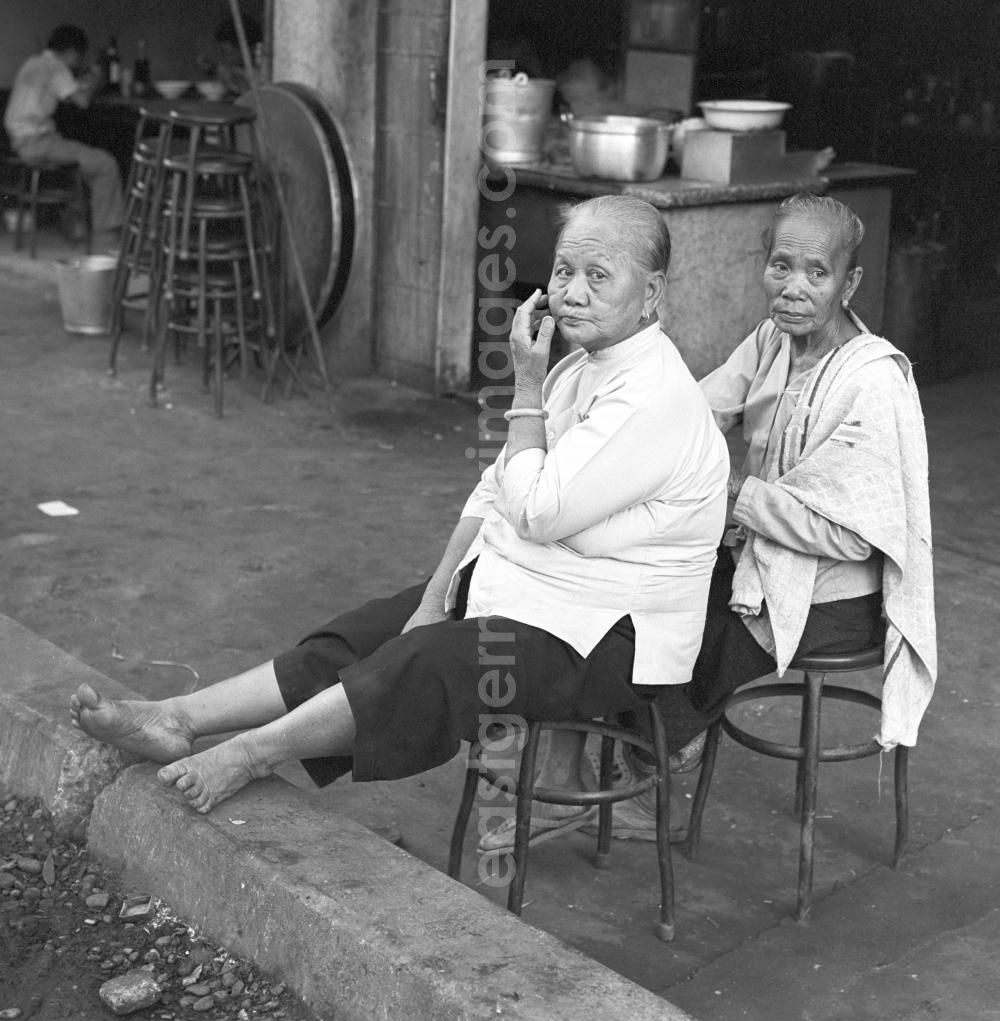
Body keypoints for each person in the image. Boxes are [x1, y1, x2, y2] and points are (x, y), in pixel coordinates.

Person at [70, 195, 730, 819]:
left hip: (611, 636)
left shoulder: (651, 393)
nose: (572, 291)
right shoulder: (582, 366)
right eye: (563, 270)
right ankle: (178, 716)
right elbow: (496, 489)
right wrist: (435, 593)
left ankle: (251, 752)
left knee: (434, 659)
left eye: (597, 274)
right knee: (373, 628)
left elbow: (534, 512)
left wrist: (524, 381)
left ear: (651, 294)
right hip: (546, 591)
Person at [482, 192, 937, 849]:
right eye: (781, 266)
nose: (794, 287)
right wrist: (623, 432)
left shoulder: (873, 381)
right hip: (764, 557)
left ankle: (657, 765)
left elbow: (849, 533)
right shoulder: (771, 340)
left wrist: (733, 494)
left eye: (817, 271)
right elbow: (693, 410)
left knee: (681, 634)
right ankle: (592, 761)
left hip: (835, 593)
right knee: (620, 586)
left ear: (850, 282)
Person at [3, 25, 124, 250]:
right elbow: (82, 101)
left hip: (18, 142)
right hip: (38, 142)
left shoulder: (33, 63)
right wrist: (96, 79)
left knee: (85, 156)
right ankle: (106, 241)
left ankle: (79, 222)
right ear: (71, 52)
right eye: (78, 58)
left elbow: (60, 92)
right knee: (106, 164)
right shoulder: (55, 67)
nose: (77, 63)